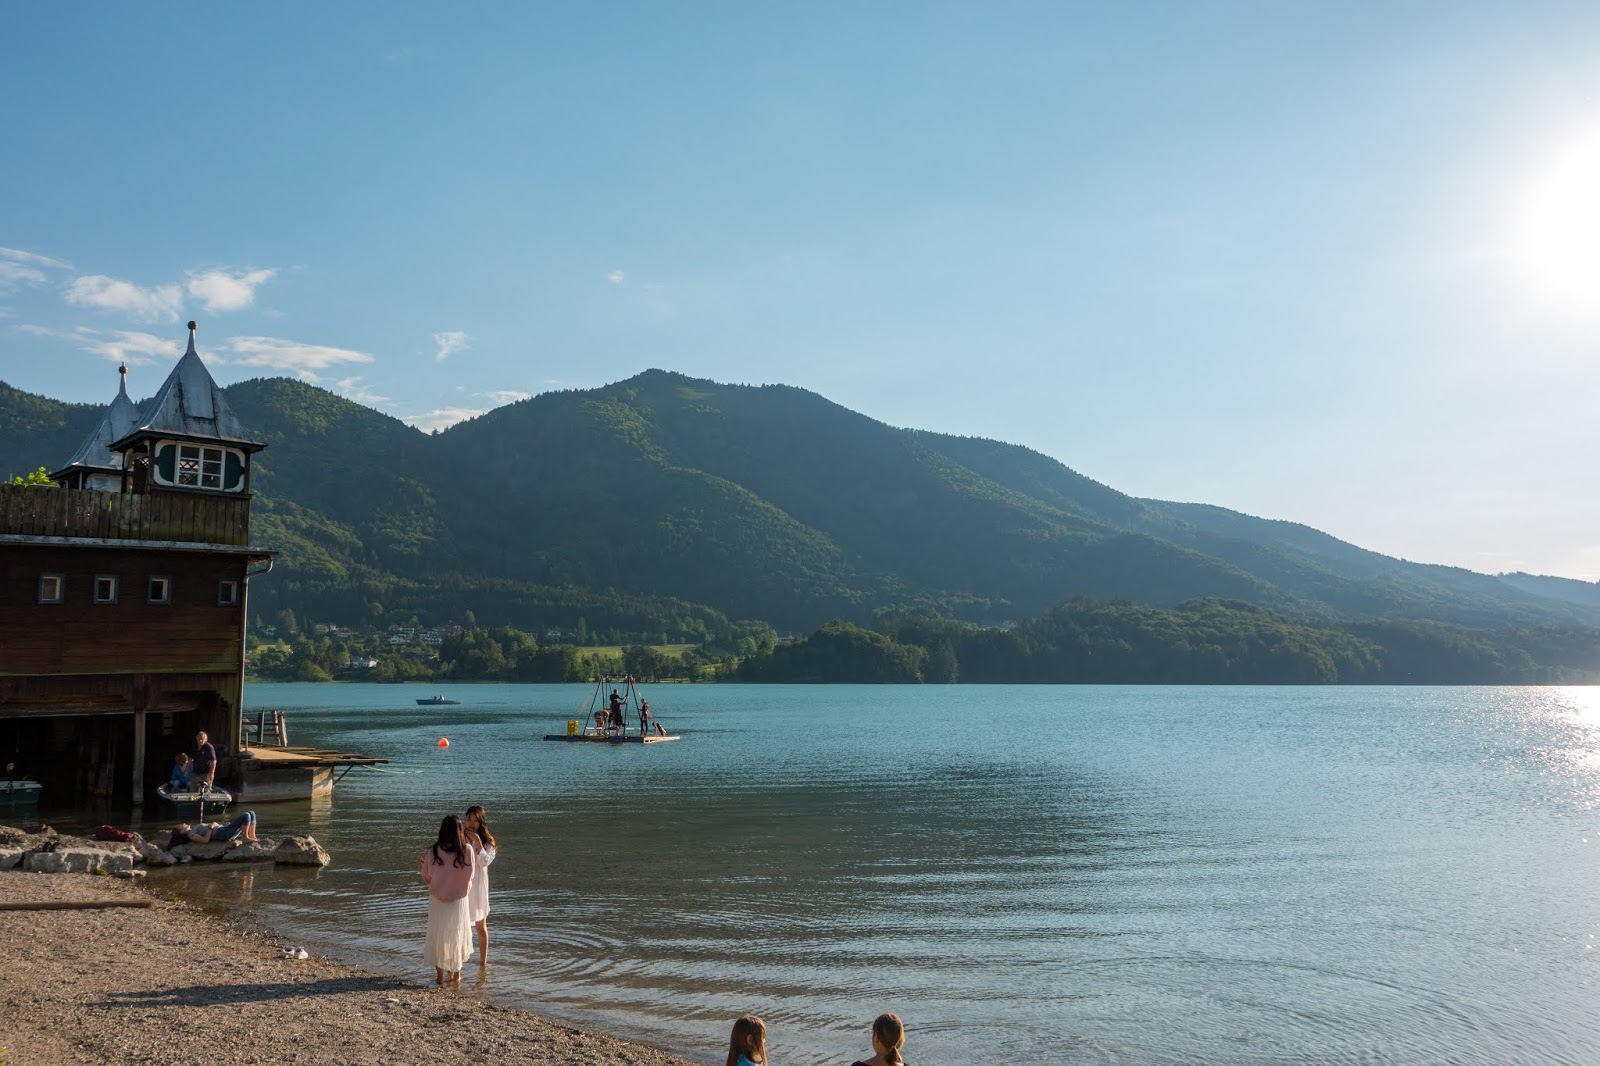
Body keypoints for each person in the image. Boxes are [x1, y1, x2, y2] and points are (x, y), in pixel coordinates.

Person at [418, 814, 476, 986]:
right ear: (459, 831)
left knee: (438, 935)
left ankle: (439, 977)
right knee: (456, 934)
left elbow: (428, 877)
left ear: (442, 831)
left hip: (437, 900)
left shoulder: (432, 851)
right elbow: (470, 876)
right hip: (458, 901)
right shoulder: (467, 850)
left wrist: (424, 869)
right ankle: (456, 974)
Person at [463, 804, 497, 965]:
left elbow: (484, 862)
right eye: (468, 819)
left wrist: (478, 843)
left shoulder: (488, 842)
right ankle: (457, 965)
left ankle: (483, 963)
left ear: (481, 822)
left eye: (475, 820)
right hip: (463, 886)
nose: (471, 823)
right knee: (460, 925)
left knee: (481, 926)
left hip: (478, 888)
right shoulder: (459, 838)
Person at [172, 810, 259, 845]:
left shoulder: (194, 829)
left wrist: (214, 824)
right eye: (182, 825)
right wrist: (211, 827)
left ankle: (252, 836)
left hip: (224, 829)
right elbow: (205, 840)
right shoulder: (191, 835)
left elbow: (212, 825)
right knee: (246, 815)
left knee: (251, 813)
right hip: (222, 833)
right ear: (182, 832)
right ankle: (245, 838)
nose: (184, 823)